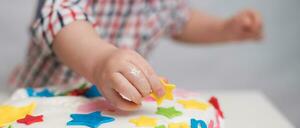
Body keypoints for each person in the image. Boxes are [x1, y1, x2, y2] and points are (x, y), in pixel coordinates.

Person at [10, 0, 263, 111]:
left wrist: (224, 29)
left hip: (106, 110)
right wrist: (100, 60)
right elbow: (57, 15)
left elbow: (182, 20)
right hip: (43, 105)